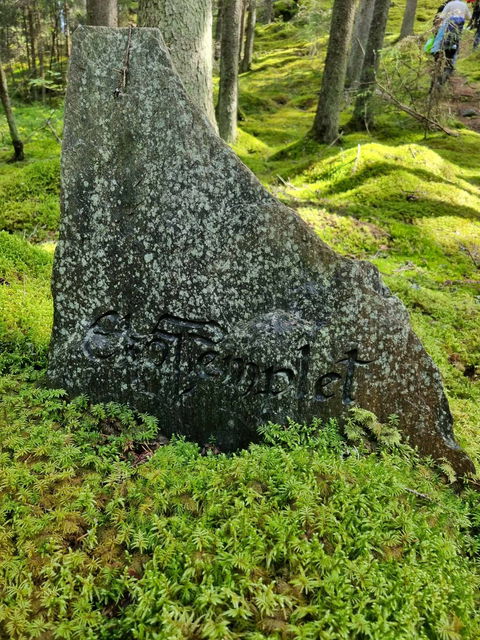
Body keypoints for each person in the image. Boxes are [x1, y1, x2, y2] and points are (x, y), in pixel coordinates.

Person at [430, 0, 472, 84]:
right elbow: (469, 17)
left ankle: (436, 73)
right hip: (455, 35)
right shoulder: (464, 5)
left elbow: (442, 16)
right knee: (452, 52)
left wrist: (435, 27)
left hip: (445, 32)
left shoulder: (449, 4)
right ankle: (448, 71)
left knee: (438, 49)